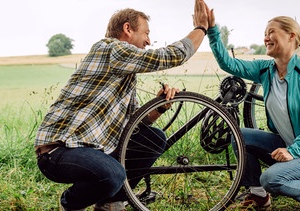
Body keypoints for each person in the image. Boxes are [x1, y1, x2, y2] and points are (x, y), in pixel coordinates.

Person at [34, 1, 209, 210]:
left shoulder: (124, 72)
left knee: (153, 138)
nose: (149, 41)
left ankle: (111, 202)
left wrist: (160, 106)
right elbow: (171, 56)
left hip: (93, 150)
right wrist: (201, 28)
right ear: (128, 29)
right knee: (113, 174)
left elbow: (135, 124)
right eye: (146, 33)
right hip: (59, 152)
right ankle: (70, 204)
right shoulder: (111, 49)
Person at [204, 5, 300, 211]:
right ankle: (259, 195)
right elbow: (228, 64)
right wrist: (212, 30)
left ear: (291, 36)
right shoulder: (266, 70)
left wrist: (293, 151)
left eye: (271, 32)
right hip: (290, 144)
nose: (266, 38)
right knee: (239, 135)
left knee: (271, 178)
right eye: (264, 34)